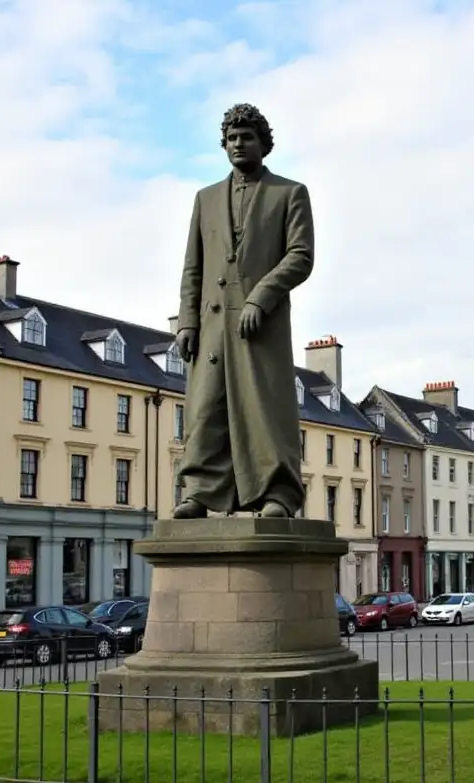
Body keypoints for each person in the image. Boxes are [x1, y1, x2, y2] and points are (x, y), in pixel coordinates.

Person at [172, 103, 315, 520]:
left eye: (246, 137)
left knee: (264, 408)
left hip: (260, 324)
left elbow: (301, 256)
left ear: (263, 144)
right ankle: (200, 491)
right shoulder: (206, 198)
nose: (238, 144)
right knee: (205, 408)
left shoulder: (290, 193)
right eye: (232, 138)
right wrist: (186, 321)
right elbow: (192, 267)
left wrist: (261, 295)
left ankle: (278, 495)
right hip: (213, 326)